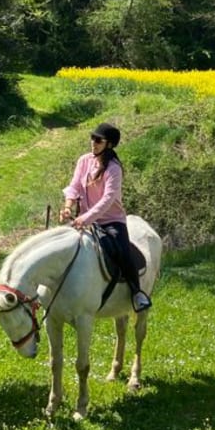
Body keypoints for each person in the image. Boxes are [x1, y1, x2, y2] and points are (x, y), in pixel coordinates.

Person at [60, 122, 151, 313]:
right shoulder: (84, 160)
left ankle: (137, 293)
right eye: (92, 138)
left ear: (109, 144)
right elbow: (74, 186)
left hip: (111, 221)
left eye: (98, 140)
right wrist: (68, 206)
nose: (93, 142)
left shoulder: (114, 169)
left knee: (123, 252)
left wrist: (85, 219)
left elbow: (108, 200)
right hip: (82, 219)